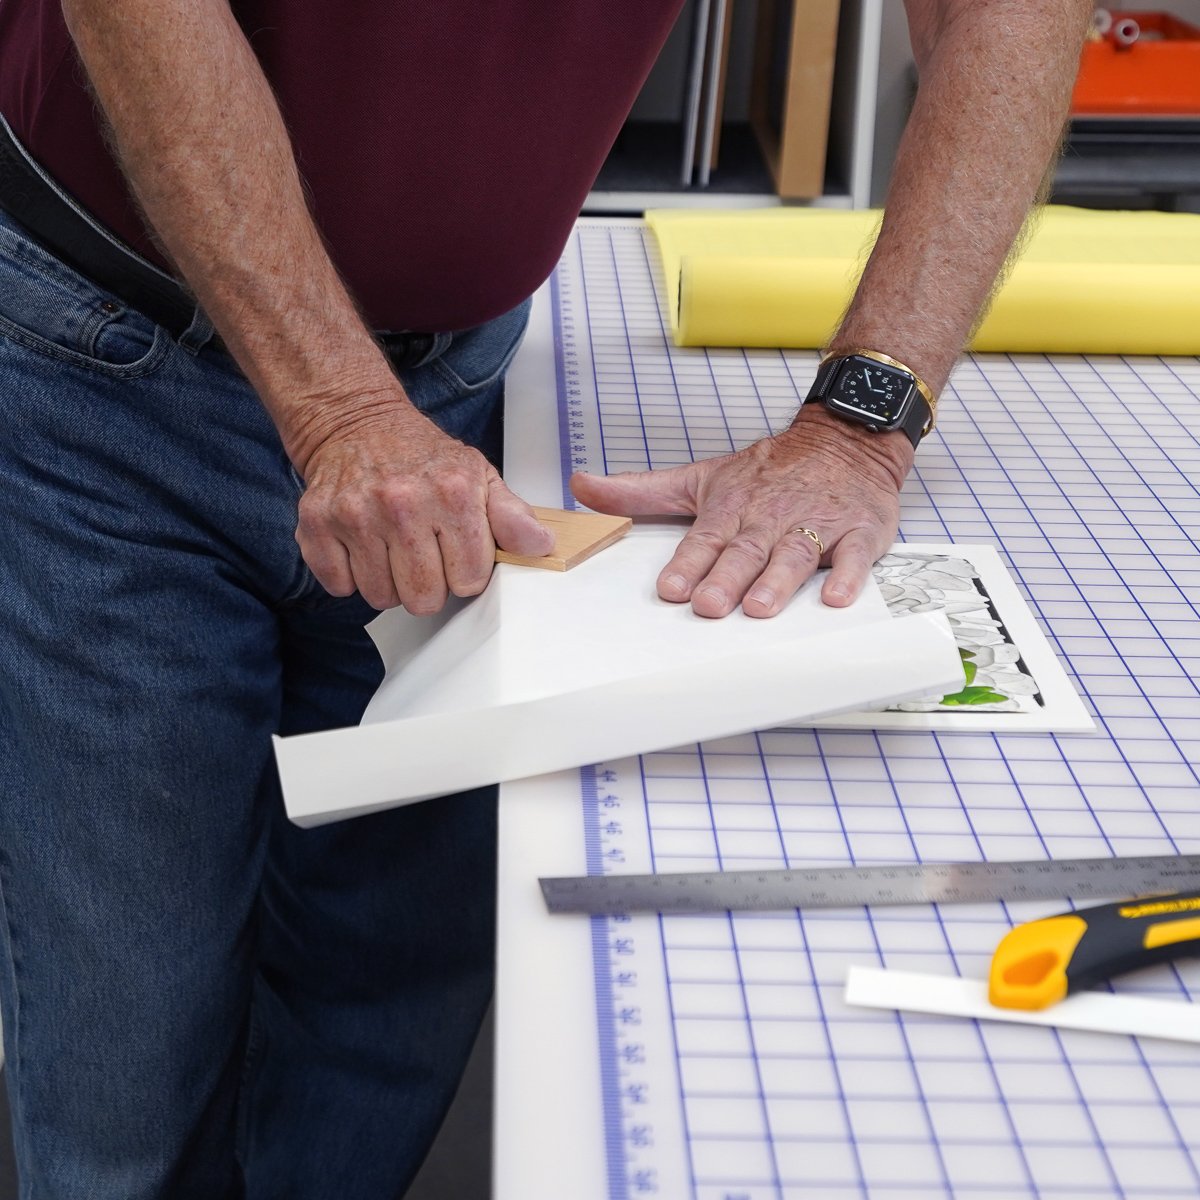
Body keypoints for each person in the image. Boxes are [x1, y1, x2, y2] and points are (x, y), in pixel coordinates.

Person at [0, 0, 1090, 1195]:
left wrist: (861, 423)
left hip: (458, 380)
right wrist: (340, 411)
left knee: (388, 995)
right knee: (126, 1041)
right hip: (106, 378)